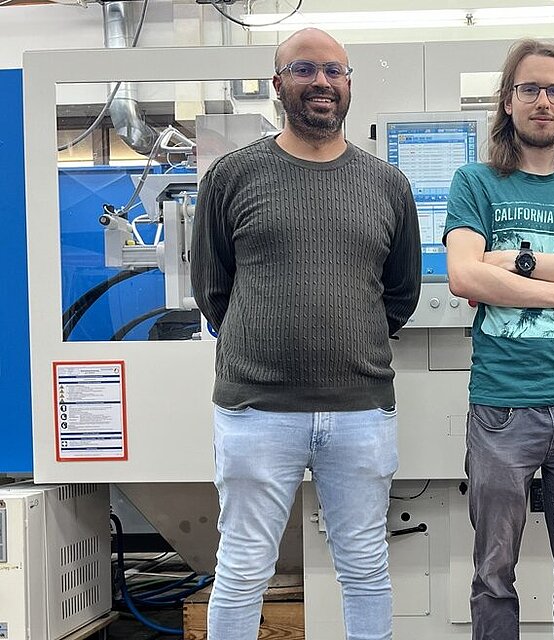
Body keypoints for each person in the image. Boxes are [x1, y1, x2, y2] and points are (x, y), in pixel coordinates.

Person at [190, 28, 421, 640]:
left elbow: (400, 293)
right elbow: (213, 290)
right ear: (278, 84)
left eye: (335, 71)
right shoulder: (232, 177)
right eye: (304, 69)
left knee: (366, 567)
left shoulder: (387, 185)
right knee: (242, 569)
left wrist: (350, 341)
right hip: (255, 410)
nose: (322, 81)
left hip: (360, 411)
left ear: (349, 86)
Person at [443, 39, 554, 640]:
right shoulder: (475, 182)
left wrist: (510, 263)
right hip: (501, 408)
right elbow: (465, 276)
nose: (542, 100)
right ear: (508, 100)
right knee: (494, 576)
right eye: (530, 89)